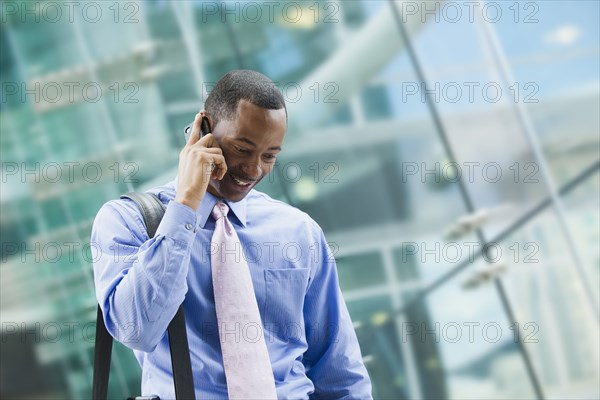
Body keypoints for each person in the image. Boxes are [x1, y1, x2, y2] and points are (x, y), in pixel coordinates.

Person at [91, 70, 373, 399]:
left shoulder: (299, 232)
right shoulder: (128, 220)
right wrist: (185, 205)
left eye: (269, 156)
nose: (254, 170)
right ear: (204, 129)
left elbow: (337, 368)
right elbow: (136, 328)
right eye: (242, 149)